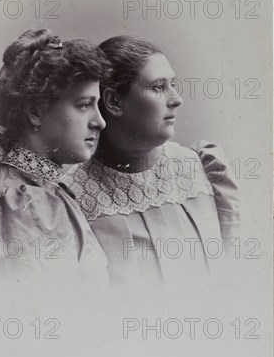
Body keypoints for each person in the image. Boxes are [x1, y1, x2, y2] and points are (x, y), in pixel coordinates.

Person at [64, 35, 240, 285]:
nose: (177, 99)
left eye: (172, 84)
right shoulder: (71, 199)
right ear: (114, 101)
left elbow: (236, 277)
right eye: (159, 87)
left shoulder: (203, 167)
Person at [0, 28, 111, 284]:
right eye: (84, 105)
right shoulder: (21, 204)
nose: (99, 122)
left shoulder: (29, 188)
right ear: (36, 112)